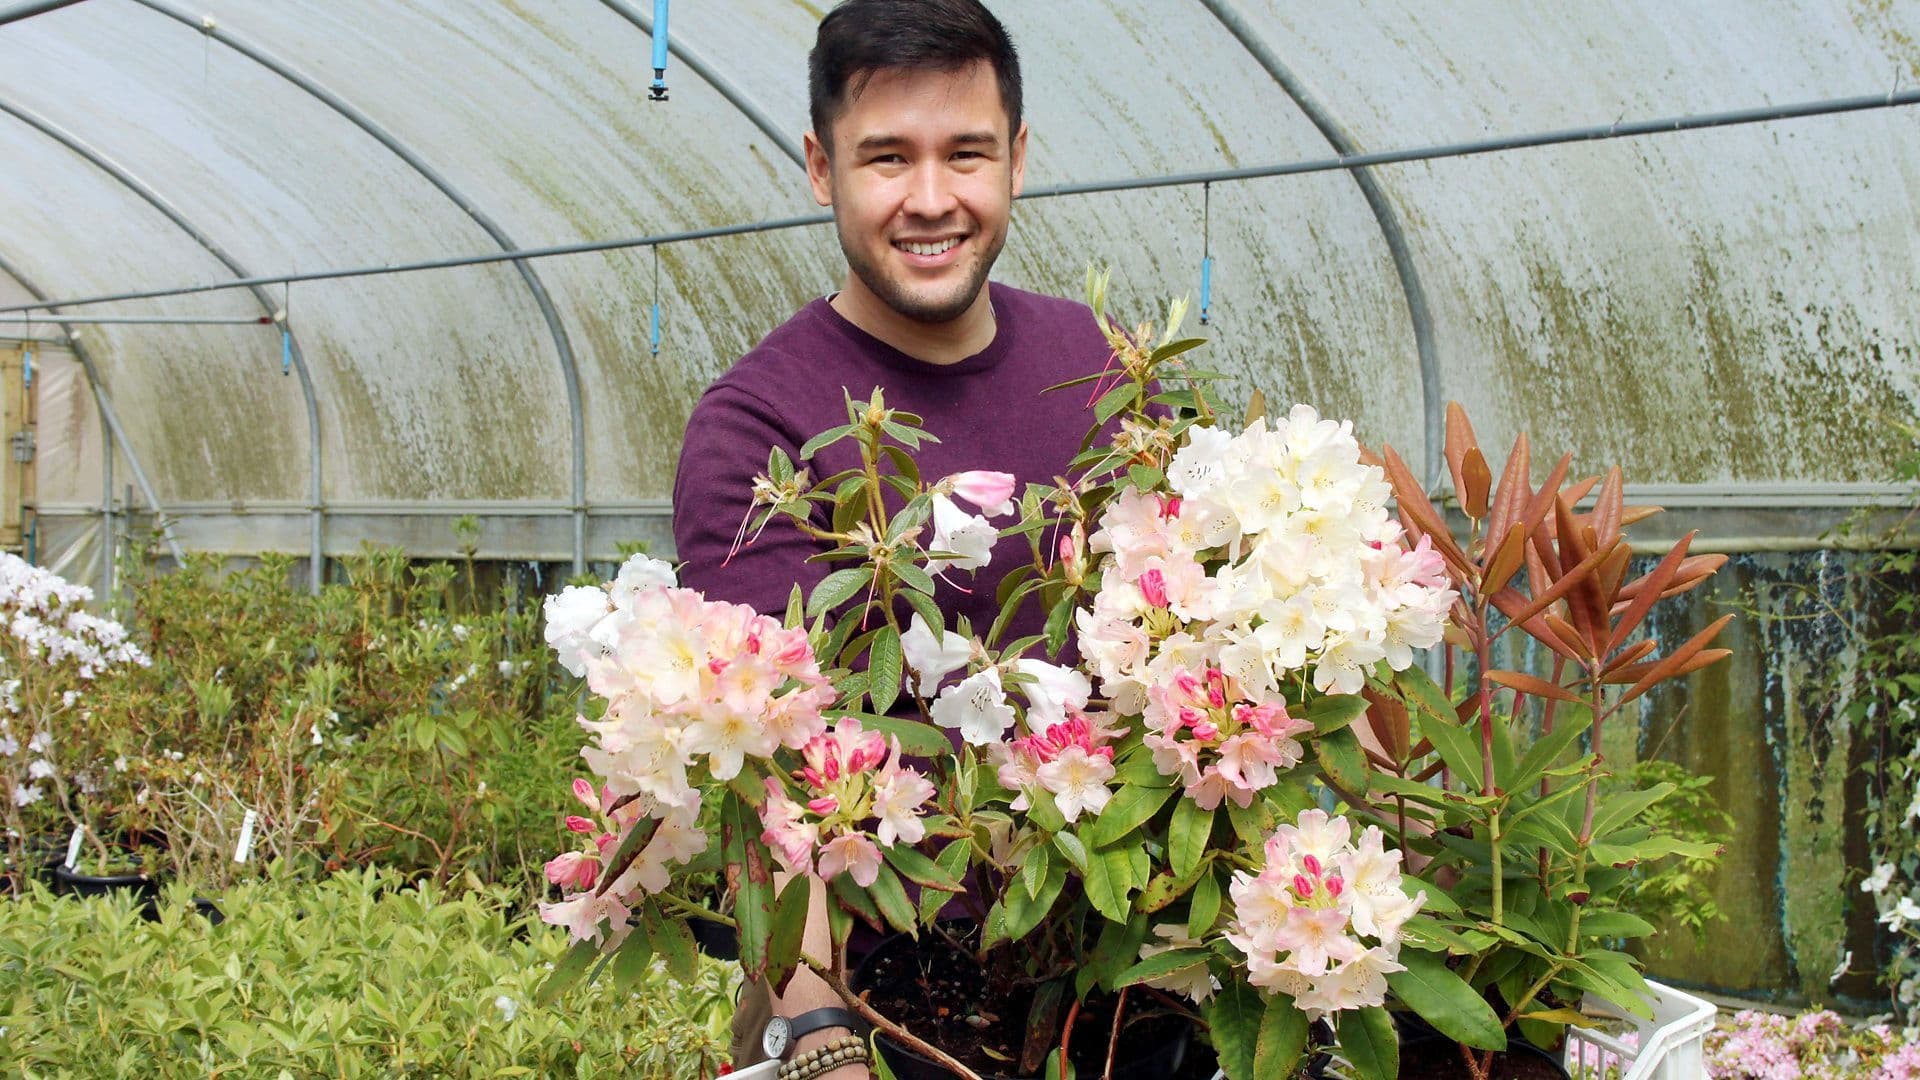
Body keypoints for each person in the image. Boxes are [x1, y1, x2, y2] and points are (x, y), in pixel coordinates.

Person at [671, 2, 1147, 1074]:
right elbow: (767, 774)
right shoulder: (763, 429)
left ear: (1017, 160)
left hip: (1113, 966)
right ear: (819, 167)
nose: (931, 200)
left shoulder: (1104, 367)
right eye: (886, 157)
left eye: (965, 153)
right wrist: (817, 1029)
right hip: (884, 990)